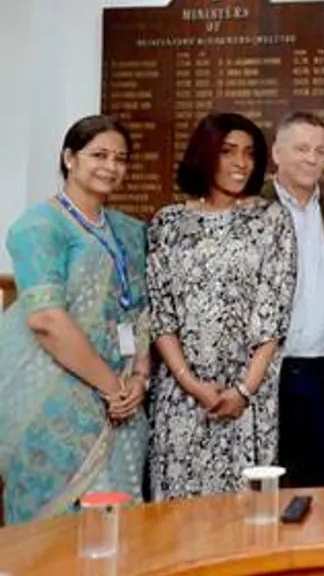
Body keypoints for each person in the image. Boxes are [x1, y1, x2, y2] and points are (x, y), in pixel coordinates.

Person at [0, 115, 151, 523]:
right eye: (98, 155)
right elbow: (46, 318)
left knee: (117, 529)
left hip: (121, 404)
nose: (111, 166)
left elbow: (140, 312)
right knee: (54, 538)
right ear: (70, 158)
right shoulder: (39, 226)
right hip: (53, 401)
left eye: (120, 158)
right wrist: (112, 388)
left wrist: (138, 378)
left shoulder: (130, 231)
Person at [146, 112, 297, 500]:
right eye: (228, 151)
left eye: (248, 153)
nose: (241, 163)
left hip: (249, 398)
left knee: (245, 520)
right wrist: (192, 385)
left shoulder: (270, 220)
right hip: (181, 397)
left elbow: (274, 315)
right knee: (177, 522)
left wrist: (243, 391)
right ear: (205, 154)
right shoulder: (168, 223)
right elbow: (161, 316)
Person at [262, 111, 324, 487]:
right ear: (277, 152)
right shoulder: (251, 208)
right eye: (302, 148)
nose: (312, 159)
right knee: (267, 484)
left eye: (320, 151)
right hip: (265, 373)